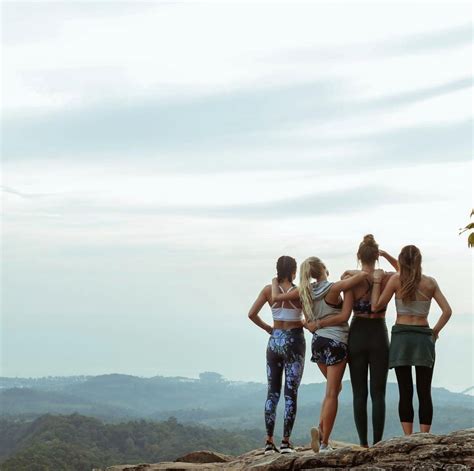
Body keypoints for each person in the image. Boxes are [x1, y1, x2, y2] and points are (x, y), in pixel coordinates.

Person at [272, 257, 368, 453]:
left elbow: (301, 317)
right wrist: (349, 273)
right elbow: (364, 276)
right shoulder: (334, 288)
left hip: (318, 343)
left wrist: (275, 282)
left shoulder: (304, 291)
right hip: (336, 341)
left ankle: (321, 429)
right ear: (324, 268)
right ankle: (324, 443)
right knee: (332, 393)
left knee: (335, 388)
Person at [371, 245, 452, 435]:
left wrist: (376, 282)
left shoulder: (395, 281)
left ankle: (408, 437)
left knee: (405, 390)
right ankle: (424, 436)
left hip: (401, 338)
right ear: (419, 261)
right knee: (424, 392)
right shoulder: (430, 283)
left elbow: (376, 306)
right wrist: (435, 332)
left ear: (401, 261)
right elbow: (447, 311)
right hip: (423, 338)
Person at [342, 234, 398, 447]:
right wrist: (386, 256)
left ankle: (363, 444)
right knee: (378, 393)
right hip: (378, 333)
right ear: (376, 256)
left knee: (359, 393)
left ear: (359, 256)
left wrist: (356, 272)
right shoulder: (387, 277)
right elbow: (404, 270)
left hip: (357, 332)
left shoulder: (350, 277)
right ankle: (377, 444)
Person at [248, 256, 305, 454]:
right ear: (293, 271)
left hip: (274, 341)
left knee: (272, 392)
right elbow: (308, 318)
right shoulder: (299, 292)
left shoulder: (268, 290)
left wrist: (268, 329)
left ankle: (268, 441)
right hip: (294, 342)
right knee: (291, 393)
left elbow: (252, 313)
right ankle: (286, 441)